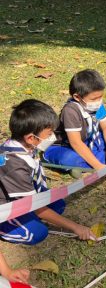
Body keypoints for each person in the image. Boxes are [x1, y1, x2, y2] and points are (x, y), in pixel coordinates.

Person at [0, 100, 96, 245]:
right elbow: (36, 207)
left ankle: (30, 215)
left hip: (22, 194)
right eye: (49, 134)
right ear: (31, 138)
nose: (53, 137)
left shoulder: (25, 146)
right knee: (37, 233)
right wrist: (75, 227)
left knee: (58, 205)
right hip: (5, 207)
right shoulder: (15, 166)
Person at [44, 69, 106, 171]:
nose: (98, 101)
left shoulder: (97, 105)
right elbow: (76, 143)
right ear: (77, 97)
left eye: (100, 97)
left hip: (87, 140)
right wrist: (98, 166)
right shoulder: (70, 111)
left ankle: (104, 156)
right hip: (64, 147)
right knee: (68, 159)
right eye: (93, 99)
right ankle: (101, 158)